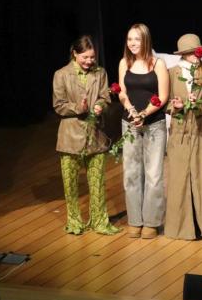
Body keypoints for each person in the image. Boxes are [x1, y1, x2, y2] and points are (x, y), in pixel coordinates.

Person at [51, 36, 122, 235]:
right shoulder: (61, 75)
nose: (89, 61)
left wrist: (99, 105)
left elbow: (105, 97)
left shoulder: (100, 73)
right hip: (70, 136)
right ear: (75, 53)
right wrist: (78, 108)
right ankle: (74, 221)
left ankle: (99, 221)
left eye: (92, 57)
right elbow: (58, 105)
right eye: (85, 57)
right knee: (71, 184)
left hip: (95, 135)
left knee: (97, 182)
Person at [163, 34, 202, 240]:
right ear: (183, 54)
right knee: (179, 180)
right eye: (189, 53)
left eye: (196, 52)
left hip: (201, 132)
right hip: (179, 133)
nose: (195, 56)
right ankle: (181, 228)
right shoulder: (171, 73)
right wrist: (176, 107)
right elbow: (165, 103)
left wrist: (196, 105)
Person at [116, 23, 169, 238]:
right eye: (129, 39)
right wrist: (131, 110)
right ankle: (135, 220)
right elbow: (122, 92)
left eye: (137, 39)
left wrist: (144, 114)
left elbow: (163, 96)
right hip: (129, 123)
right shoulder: (124, 63)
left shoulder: (158, 64)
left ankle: (152, 222)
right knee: (131, 172)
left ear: (145, 40)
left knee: (153, 174)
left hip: (154, 124)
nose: (132, 43)